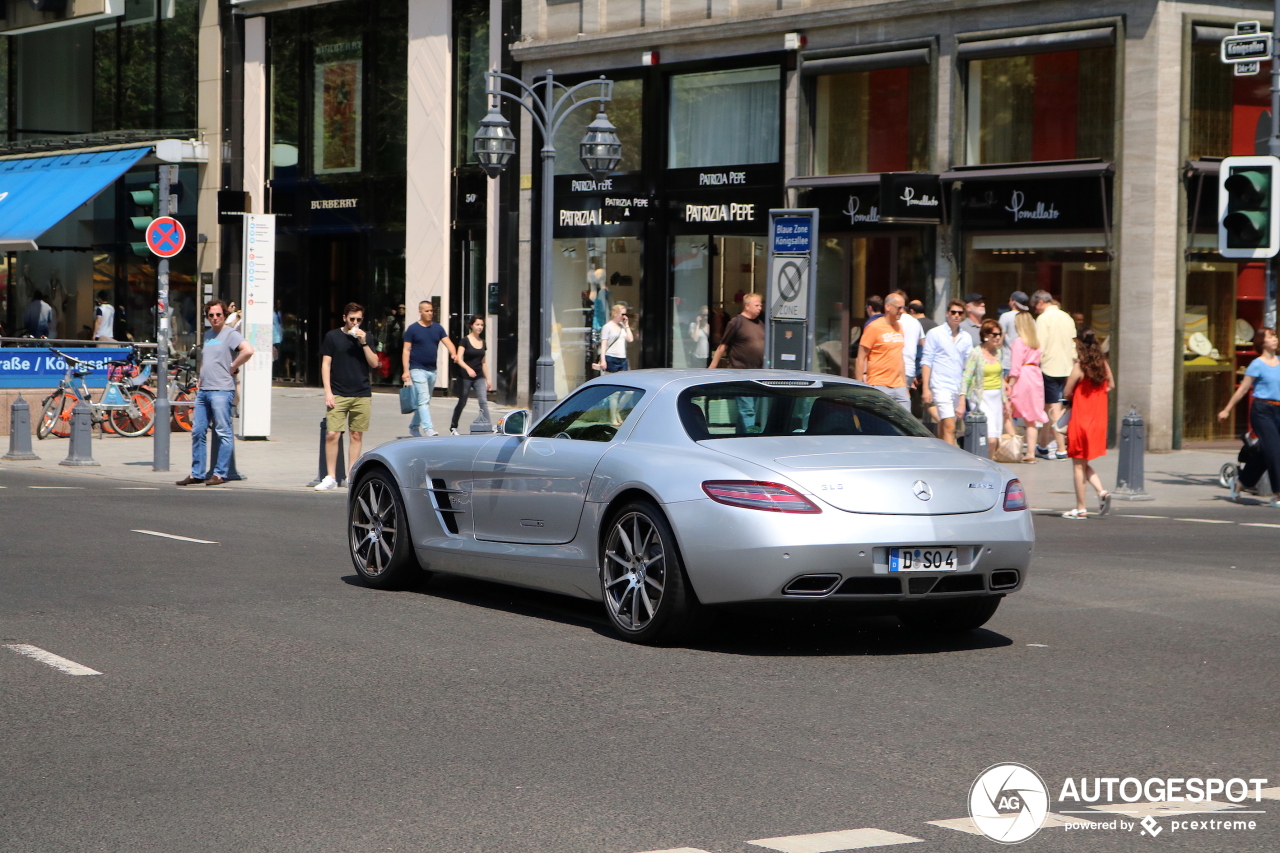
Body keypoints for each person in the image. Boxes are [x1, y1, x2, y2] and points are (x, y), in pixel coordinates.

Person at [177, 298, 254, 487]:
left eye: (218, 314)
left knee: (222, 431)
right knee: (197, 431)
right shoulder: (208, 335)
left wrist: (233, 366)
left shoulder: (230, 334)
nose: (215, 318)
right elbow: (206, 359)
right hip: (204, 390)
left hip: (221, 389)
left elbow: (248, 350)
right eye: (211, 315)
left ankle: (220, 473)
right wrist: (201, 378)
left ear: (224, 315)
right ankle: (197, 473)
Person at [316, 304, 380, 491]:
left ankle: (351, 475)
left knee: (356, 434)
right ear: (344, 317)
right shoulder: (332, 336)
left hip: (361, 392)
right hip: (338, 392)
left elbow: (375, 363)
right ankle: (331, 476)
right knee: (332, 433)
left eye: (359, 320)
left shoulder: (366, 337)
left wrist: (364, 343)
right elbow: (326, 365)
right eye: (352, 319)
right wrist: (328, 392)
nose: (355, 323)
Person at [1218, 327, 1280, 507]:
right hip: (1262, 411)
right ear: (1262, 342)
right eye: (1270, 337)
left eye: (1275, 336)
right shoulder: (1257, 364)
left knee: (1264, 453)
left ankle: (1241, 482)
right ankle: (1277, 494)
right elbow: (1243, 389)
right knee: (1276, 452)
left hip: (1279, 411)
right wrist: (1227, 409)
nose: (1275, 339)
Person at [1060, 329, 1114, 518]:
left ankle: (1081, 507)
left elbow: (1067, 392)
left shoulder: (1080, 368)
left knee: (1077, 464)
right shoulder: (1103, 366)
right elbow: (1111, 386)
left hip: (1081, 420)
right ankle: (1101, 492)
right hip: (1098, 420)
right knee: (1083, 462)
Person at [921, 299, 974, 445]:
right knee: (950, 427)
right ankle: (953, 459)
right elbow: (927, 361)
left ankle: (940, 456)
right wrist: (926, 388)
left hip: (957, 387)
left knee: (945, 426)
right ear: (947, 313)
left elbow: (968, 366)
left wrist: (965, 392)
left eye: (959, 313)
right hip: (940, 385)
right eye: (953, 312)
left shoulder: (966, 337)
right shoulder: (935, 333)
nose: (956, 315)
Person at [402, 300, 457, 437]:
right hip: (417, 369)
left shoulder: (437, 328)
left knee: (424, 401)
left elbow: (448, 343)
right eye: (427, 311)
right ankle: (429, 429)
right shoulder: (413, 329)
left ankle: (414, 427)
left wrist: (454, 353)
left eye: (431, 311)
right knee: (424, 400)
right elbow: (406, 350)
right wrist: (405, 370)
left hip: (432, 370)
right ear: (420, 312)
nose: (430, 313)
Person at [1033, 289, 1077, 459]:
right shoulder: (1067, 317)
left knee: (1053, 408)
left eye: (1035, 306)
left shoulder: (1043, 319)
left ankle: (1061, 448)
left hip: (1049, 367)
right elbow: (1074, 344)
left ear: (1040, 302)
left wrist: (1036, 364)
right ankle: (1042, 445)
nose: (1035, 309)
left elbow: (1040, 345)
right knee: (1050, 407)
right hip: (1066, 367)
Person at [961, 319, 1012, 444]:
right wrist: (961, 401)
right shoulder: (976, 353)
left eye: (999, 334)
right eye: (994, 335)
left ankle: (991, 461)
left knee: (996, 437)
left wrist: (1006, 402)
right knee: (990, 438)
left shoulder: (998, 352)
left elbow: (1000, 377)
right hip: (980, 397)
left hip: (996, 398)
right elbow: (966, 377)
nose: (998, 337)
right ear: (985, 336)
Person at [1007, 310, 1048, 463]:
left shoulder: (1019, 341)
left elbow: (1015, 367)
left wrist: (1010, 384)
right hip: (1035, 375)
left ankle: (1011, 448)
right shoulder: (1035, 342)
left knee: (1008, 410)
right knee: (1031, 417)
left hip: (1023, 376)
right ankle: (1030, 452)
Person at [857, 293, 909, 411]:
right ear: (888, 307)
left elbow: (900, 357)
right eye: (899, 308)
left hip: (900, 386)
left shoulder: (899, 327)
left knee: (906, 426)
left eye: (904, 308)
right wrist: (860, 385)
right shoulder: (874, 327)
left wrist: (905, 386)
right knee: (881, 425)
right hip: (879, 385)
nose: (902, 311)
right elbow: (861, 357)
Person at [450, 315, 494, 435]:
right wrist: (468, 369)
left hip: (479, 376)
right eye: (477, 324)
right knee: (462, 401)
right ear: (471, 326)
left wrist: (488, 379)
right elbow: (459, 358)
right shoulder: (465, 340)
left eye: (482, 325)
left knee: (483, 401)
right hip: (465, 376)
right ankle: (454, 426)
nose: (480, 327)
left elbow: (483, 362)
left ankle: (487, 425)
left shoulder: (483, 342)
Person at [709, 293, 765, 370]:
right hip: (739, 370)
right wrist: (712, 367)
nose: (760, 308)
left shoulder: (760, 323)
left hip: (756, 371)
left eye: (760, 305)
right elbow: (723, 346)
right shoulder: (736, 322)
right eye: (756, 305)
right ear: (747, 306)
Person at [597, 303, 634, 373]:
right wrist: (603, 360)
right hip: (611, 357)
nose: (624, 316)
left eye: (625, 314)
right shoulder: (607, 327)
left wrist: (627, 325)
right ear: (615, 314)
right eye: (622, 314)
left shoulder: (622, 326)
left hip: (622, 357)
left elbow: (630, 339)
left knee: (623, 380)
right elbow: (603, 344)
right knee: (611, 379)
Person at [999, 290, 1030, 371]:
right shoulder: (1031, 319)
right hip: (1026, 364)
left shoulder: (1005, 316)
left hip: (1009, 363)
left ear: (1013, 302)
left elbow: (999, 340)